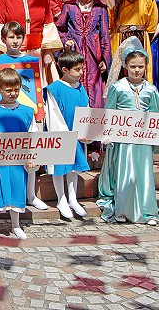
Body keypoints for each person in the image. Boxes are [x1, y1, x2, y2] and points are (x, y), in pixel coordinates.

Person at [97, 38, 159, 225]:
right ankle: (122, 209)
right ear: (126, 66)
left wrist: (157, 141)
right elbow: (109, 112)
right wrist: (107, 134)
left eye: (140, 66)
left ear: (145, 67)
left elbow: (156, 116)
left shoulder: (151, 90)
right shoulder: (118, 88)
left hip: (142, 139)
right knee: (125, 173)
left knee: (143, 174)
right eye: (133, 66)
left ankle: (147, 211)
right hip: (123, 139)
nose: (136, 70)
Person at [0, 68, 38, 241]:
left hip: (17, 161)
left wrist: (32, 157)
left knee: (17, 190)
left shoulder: (27, 111)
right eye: (8, 90)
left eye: (16, 89)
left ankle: (16, 225)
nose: (13, 93)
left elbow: (33, 136)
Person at [45, 50, 91, 220]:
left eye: (81, 68)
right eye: (77, 69)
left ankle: (73, 198)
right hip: (61, 135)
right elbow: (53, 114)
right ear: (65, 70)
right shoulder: (54, 89)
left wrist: (85, 131)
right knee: (59, 166)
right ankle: (61, 198)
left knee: (73, 166)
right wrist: (64, 134)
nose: (81, 72)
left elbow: (86, 110)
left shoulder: (80, 88)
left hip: (76, 134)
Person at [57, 0, 111, 108]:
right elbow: (60, 28)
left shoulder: (101, 8)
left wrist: (105, 60)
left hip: (94, 56)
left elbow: (105, 35)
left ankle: (93, 120)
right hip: (75, 53)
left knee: (95, 89)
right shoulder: (69, 6)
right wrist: (65, 41)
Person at [109, 0, 159, 83]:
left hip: (141, 39)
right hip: (119, 40)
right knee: (120, 76)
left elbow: (152, 26)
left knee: (141, 75)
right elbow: (109, 24)